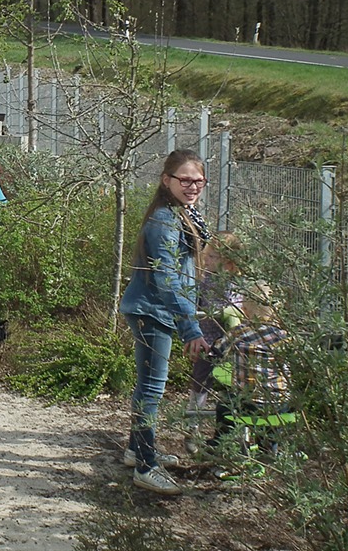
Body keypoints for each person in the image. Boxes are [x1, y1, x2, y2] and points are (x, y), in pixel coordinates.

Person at [119, 149, 211, 495]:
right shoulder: (165, 221)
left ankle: (135, 450)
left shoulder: (184, 215)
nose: (192, 187)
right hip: (151, 312)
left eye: (198, 181)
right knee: (152, 389)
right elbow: (167, 280)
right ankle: (146, 466)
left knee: (149, 386)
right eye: (185, 180)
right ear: (166, 180)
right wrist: (190, 327)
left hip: (156, 310)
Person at [208, 281, 290, 450]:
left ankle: (223, 442)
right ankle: (269, 449)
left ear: (244, 311)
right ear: (276, 312)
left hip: (247, 402)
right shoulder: (283, 337)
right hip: (278, 403)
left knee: (225, 405)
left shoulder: (239, 332)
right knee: (274, 417)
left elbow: (216, 351)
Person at [190, 232, 246, 414]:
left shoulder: (236, 282)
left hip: (230, 343)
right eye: (206, 255)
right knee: (200, 381)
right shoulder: (205, 279)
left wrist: (223, 313)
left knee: (231, 385)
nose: (206, 260)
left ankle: (227, 429)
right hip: (207, 340)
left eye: (212, 257)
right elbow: (196, 301)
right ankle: (193, 425)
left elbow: (236, 309)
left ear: (229, 262)